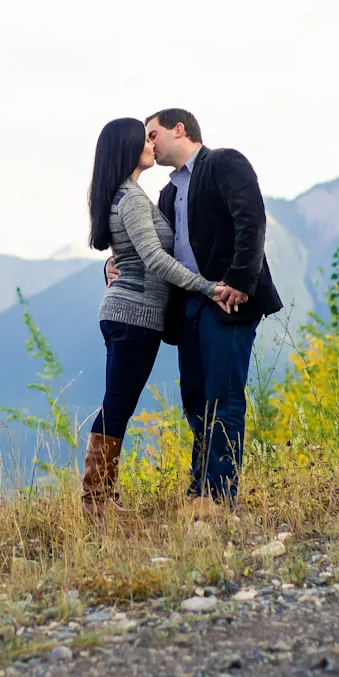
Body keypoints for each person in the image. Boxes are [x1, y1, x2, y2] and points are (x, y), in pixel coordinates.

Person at [109, 109, 282, 515]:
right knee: (196, 399)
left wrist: (240, 281)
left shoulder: (224, 162)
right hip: (188, 304)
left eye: (153, 134)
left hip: (227, 299)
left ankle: (219, 495)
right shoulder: (168, 194)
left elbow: (251, 220)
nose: (149, 144)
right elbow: (153, 248)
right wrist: (112, 264)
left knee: (224, 396)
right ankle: (199, 489)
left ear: (179, 129)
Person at [83, 118, 233, 512]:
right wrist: (208, 286)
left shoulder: (124, 194)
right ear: (128, 148)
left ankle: (100, 497)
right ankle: (96, 499)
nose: (151, 145)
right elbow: (153, 258)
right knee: (118, 405)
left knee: (118, 403)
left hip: (128, 314)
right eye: (144, 139)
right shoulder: (131, 197)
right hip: (134, 315)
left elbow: (128, 254)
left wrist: (111, 265)